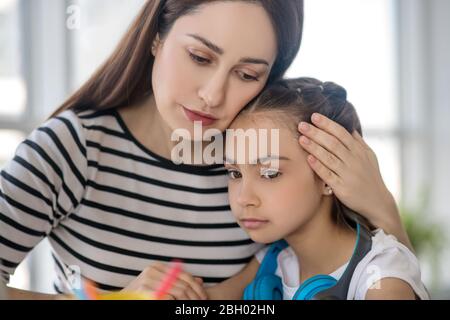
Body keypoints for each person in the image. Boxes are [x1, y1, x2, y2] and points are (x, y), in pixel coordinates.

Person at [0, 0, 410, 300]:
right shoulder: (73, 148)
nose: (213, 95)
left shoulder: (260, 153)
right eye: (199, 56)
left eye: (247, 74)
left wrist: (382, 209)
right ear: (157, 36)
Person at [148, 78, 429, 300]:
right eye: (234, 173)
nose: (243, 198)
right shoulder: (275, 258)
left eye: (269, 173)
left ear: (328, 176)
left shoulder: (382, 277)